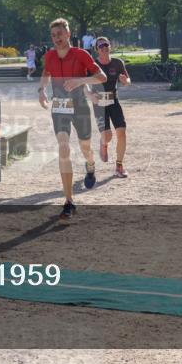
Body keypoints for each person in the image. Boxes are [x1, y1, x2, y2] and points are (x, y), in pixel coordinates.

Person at [38, 18, 107, 220]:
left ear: (68, 34)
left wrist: (80, 80)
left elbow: (101, 76)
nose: (56, 38)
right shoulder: (50, 56)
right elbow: (46, 73)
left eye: (60, 34)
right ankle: (69, 201)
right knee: (64, 147)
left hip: (80, 107)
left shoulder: (81, 54)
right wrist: (41, 89)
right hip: (59, 107)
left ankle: (91, 164)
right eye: (53, 35)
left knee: (85, 147)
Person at [90, 37, 132, 177]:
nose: (104, 47)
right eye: (100, 45)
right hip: (99, 104)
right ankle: (103, 143)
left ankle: (119, 166)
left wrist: (125, 81)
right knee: (107, 137)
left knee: (122, 132)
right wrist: (90, 95)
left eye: (106, 44)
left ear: (110, 46)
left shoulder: (117, 63)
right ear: (97, 49)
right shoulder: (92, 64)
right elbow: (84, 84)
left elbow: (128, 80)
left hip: (114, 101)